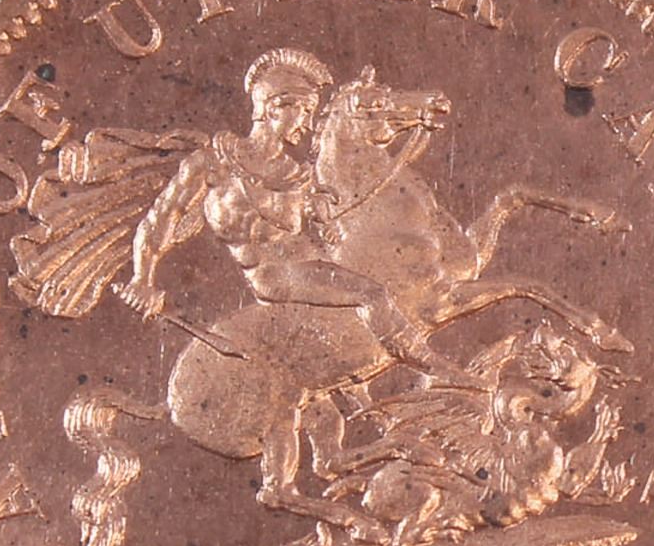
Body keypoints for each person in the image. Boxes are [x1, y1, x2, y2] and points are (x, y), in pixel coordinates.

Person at [115, 49, 486, 392]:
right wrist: (142, 279)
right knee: (372, 294)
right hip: (275, 277)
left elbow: (330, 223)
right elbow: (160, 220)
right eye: (304, 111)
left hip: (311, 264)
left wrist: (327, 221)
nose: (307, 125)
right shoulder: (212, 165)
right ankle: (436, 368)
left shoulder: (299, 177)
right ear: (274, 107)